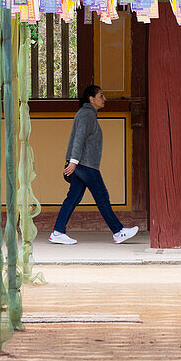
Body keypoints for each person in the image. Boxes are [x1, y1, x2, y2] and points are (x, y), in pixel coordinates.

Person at [49, 85, 139, 245]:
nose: (104, 99)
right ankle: (118, 232)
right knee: (102, 197)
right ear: (91, 99)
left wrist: (73, 161)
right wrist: (74, 162)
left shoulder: (87, 114)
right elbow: (79, 138)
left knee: (73, 197)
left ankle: (58, 231)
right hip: (85, 165)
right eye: (101, 96)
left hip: (81, 164)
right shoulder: (87, 114)